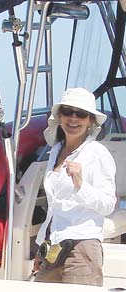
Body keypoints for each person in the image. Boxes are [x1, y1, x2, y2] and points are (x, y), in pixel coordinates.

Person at [33, 88, 117, 286]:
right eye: (68, 111)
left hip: (83, 247)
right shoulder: (55, 151)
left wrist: (80, 185)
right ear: (59, 116)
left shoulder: (97, 153)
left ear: (90, 121)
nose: (73, 118)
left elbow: (108, 204)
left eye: (81, 114)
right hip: (53, 246)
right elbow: (54, 209)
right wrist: (41, 247)